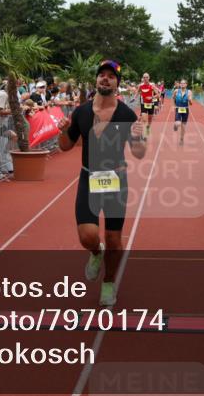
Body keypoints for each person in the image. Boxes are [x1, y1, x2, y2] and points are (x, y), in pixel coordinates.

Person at [58, 59, 146, 307]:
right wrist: (63, 131)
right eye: (101, 75)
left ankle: (108, 282)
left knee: (114, 239)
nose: (105, 78)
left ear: (117, 83)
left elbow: (138, 153)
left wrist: (139, 138)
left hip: (116, 180)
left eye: (111, 76)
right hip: (89, 177)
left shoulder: (127, 115)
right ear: (96, 80)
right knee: (88, 235)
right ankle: (96, 253)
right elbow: (65, 146)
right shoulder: (82, 112)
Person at [136, 72, 158, 137]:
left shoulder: (152, 85)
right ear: (143, 78)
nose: (145, 78)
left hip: (151, 103)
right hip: (143, 104)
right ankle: (144, 134)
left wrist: (152, 97)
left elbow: (158, 95)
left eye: (146, 77)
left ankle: (148, 128)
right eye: (144, 77)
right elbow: (137, 92)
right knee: (144, 120)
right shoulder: (140, 85)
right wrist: (134, 98)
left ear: (149, 78)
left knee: (150, 119)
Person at [172, 79, 193, 145]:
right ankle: (175, 125)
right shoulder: (176, 91)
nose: (182, 84)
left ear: (186, 84)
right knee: (178, 123)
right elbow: (173, 98)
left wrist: (189, 100)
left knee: (183, 126)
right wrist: (173, 106)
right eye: (181, 83)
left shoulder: (189, 92)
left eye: (184, 83)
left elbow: (191, 103)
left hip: (185, 109)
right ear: (180, 84)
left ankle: (181, 139)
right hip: (178, 108)